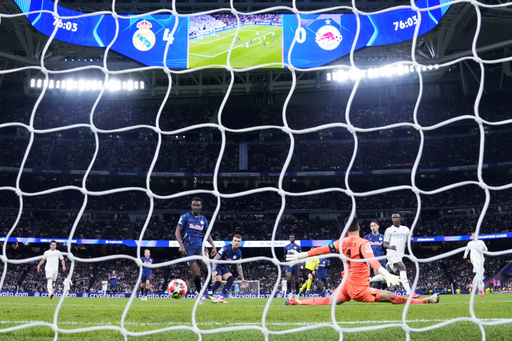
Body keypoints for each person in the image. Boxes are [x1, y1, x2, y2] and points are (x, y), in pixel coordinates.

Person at [284, 217, 439, 306]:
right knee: (391, 297)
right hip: (359, 288)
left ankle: (296, 302)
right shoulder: (363, 242)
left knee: (329, 300)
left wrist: (304, 254)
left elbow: (322, 249)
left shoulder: (341, 241)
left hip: (345, 285)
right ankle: (426, 301)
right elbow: (373, 262)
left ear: (346, 229)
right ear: (359, 227)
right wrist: (386, 273)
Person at [176, 197, 218, 303]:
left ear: (201, 206)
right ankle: (199, 293)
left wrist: (213, 246)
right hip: (188, 248)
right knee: (197, 273)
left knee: (206, 263)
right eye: (193, 205)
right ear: (191, 206)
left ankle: (210, 292)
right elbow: (177, 232)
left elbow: (207, 234)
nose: (195, 207)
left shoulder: (203, 220)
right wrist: (181, 245)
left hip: (200, 245)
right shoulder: (185, 217)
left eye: (197, 205)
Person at [382, 212, 419, 298]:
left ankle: (373, 283)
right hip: (391, 253)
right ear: (392, 219)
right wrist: (390, 246)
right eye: (393, 217)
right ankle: (409, 292)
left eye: (397, 217)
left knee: (387, 273)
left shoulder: (405, 229)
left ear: (400, 218)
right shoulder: (389, 230)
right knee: (402, 268)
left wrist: (411, 238)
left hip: (400, 255)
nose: (395, 219)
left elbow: (411, 242)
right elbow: (384, 244)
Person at [211, 234, 247, 303]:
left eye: (238, 241)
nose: (236, 242)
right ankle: (205, 296)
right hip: (216, 265)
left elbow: (239, 266)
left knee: (231, 279)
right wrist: (213, 271)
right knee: (218, 282)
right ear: (232, 241)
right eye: (235, 240)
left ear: (240, 243)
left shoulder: (239, 253)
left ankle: (221, 297)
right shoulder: (225, 248)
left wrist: (242, 279)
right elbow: (215, 260)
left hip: (223, 267)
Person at [463, 232, 488, 297]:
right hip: (474, 259)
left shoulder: (481, 242)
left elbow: (486, 249)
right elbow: (467, 250)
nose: (473, 236)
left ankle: (473, 286)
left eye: (474, 235)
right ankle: (480, 290)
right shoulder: (470, 243)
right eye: (472, 235)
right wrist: (465, 255)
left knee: (480, 274)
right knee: (479, 272)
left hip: (481, 259)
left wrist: (484, 249)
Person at [364, 220, 386, 289]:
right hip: (373, 259)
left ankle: (382, 290)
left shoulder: (383, 237)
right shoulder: (367, 237)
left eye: (374, 225)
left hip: (382, 259)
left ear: (378, 226)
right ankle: (379, 291)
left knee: (385, 280)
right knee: (377, 274)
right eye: (371, 226)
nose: (372, 227)